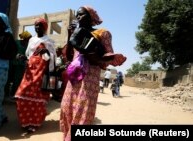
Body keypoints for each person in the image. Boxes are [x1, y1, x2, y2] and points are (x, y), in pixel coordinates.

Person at [59, 6, 126, 141]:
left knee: (82, 113)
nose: (78, 17)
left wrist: (91, 52)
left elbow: (106, 60)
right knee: (66, 109)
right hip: (74, 79)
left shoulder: (102, 33)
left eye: (82, 15)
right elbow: (69, 56)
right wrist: (70, 36)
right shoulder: (76, 33)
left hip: (89, 80)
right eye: (77, 15)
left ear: (91, 17)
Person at [14, 18, 57, 133]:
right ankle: (25, 120)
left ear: (45, 27)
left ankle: (34, 122)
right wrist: (23, 58)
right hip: (30, 70)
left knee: (38, 97)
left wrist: (46, 53)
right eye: (36, 25)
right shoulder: (32, 40)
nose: (37, 27)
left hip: (41, 71)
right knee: (21, 94)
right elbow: (29, 55)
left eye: (40, 25)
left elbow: (53, 58)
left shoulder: (48, 41)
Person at [6, 31, 32, 98]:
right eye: (29, 38)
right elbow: (11, 50)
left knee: (18, 79)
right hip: (13, 63)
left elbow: (28, 55)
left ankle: (15, 93)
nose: (30, 39)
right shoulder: (17, 42)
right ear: (25, 37)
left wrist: (25, 57)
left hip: (21, 65)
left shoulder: (28, 45)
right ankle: (8, 94)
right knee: (9, 79)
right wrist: (16, 55)